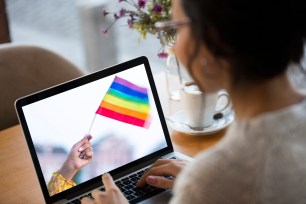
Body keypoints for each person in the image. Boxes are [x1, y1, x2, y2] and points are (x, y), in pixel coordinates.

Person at [81, 0, 306, 203]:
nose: (172, 47)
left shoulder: (212, 182)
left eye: (177, 28)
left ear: (213, 40)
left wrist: (208, 181)